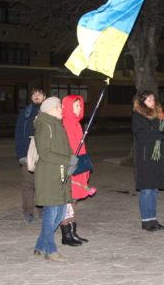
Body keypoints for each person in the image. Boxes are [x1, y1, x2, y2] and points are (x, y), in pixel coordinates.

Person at [33, 97, 76, 262]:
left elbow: (65, 148)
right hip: (49, 175)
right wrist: (67, 160)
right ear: (49, 109)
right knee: (52, 213)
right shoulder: (45, 125)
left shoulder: (58, 124)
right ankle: (50, 250)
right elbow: (45, 153)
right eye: (59, 106)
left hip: (60, 173)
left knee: (60, 212)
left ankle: (40, 245)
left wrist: (72, 159)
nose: (61, 109)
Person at [60, 95, 96, 246]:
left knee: (73, 200)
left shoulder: (76, 124)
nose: (79, 108)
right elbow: (67, 149)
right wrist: (71, 166)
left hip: (77, 165)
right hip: (70, 166)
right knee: (66, 201)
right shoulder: (65, 124)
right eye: (76, 106)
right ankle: (66, 235)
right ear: (68, 106)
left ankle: (73, 232)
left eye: (80, 106)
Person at [132, 90, 164, 232]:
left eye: (153, 99)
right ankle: (146, 220)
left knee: (154, 190)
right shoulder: (138, 115)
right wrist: (157, 134)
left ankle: (153, 218)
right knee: (146, 190)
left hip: (157, 157)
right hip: (145, 157)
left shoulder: (158, 115)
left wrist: (163, 126)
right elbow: (140, 134)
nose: (152, 102)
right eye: (148, 100)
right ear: (142, 103)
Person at [15, 88, 46, 224]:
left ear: (44, 96)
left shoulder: (49, 112)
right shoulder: (25, 113)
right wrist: (21, 154)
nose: (36, 96)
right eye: (34, 94)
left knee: (43, 183)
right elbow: (18, 134)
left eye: (39, 94)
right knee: (28, 184)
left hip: (45, 154)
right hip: (28, 153)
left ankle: (42, 210)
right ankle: (28, 212)